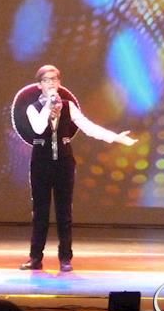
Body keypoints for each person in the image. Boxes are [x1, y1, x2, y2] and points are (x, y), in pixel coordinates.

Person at [18, 65, 137, 272]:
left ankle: (65, 258)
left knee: (64, 212)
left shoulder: (68, 106)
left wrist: (116, 138)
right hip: (41, 164)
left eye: (54, 79)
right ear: (39, 85)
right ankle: (35, 258)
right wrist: (48, 105)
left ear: (59, 83)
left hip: (64, 163)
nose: (51, 83)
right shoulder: (32, 108)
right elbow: (38, 127)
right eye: (46, 80)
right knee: (40, 213)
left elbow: (88, 127)